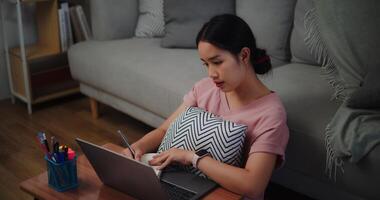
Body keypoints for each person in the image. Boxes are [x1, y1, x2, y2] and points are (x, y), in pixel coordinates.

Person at [122, 14, 289, 200]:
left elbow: (253, 185)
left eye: (217, 62)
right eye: (206, 64)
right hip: (182, 185)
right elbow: (163, 130)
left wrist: (192, 157)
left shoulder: (271, 114)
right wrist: (136, 147)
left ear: (244, 55)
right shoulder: (205, 88)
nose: (211, 74)